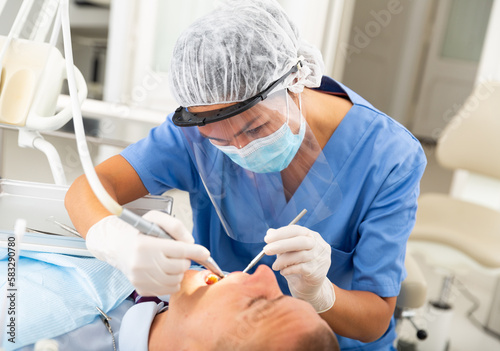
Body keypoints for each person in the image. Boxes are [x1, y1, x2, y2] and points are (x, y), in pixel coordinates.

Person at [65, 0, 427, 349]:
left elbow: (375, 319)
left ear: (296, 83)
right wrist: (119, 243)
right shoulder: (200, 122)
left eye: (254, 130)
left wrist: (321, 294)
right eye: (218, 141)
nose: (239, 149)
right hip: (219, 332)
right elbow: (89, 189)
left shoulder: (389, 155)